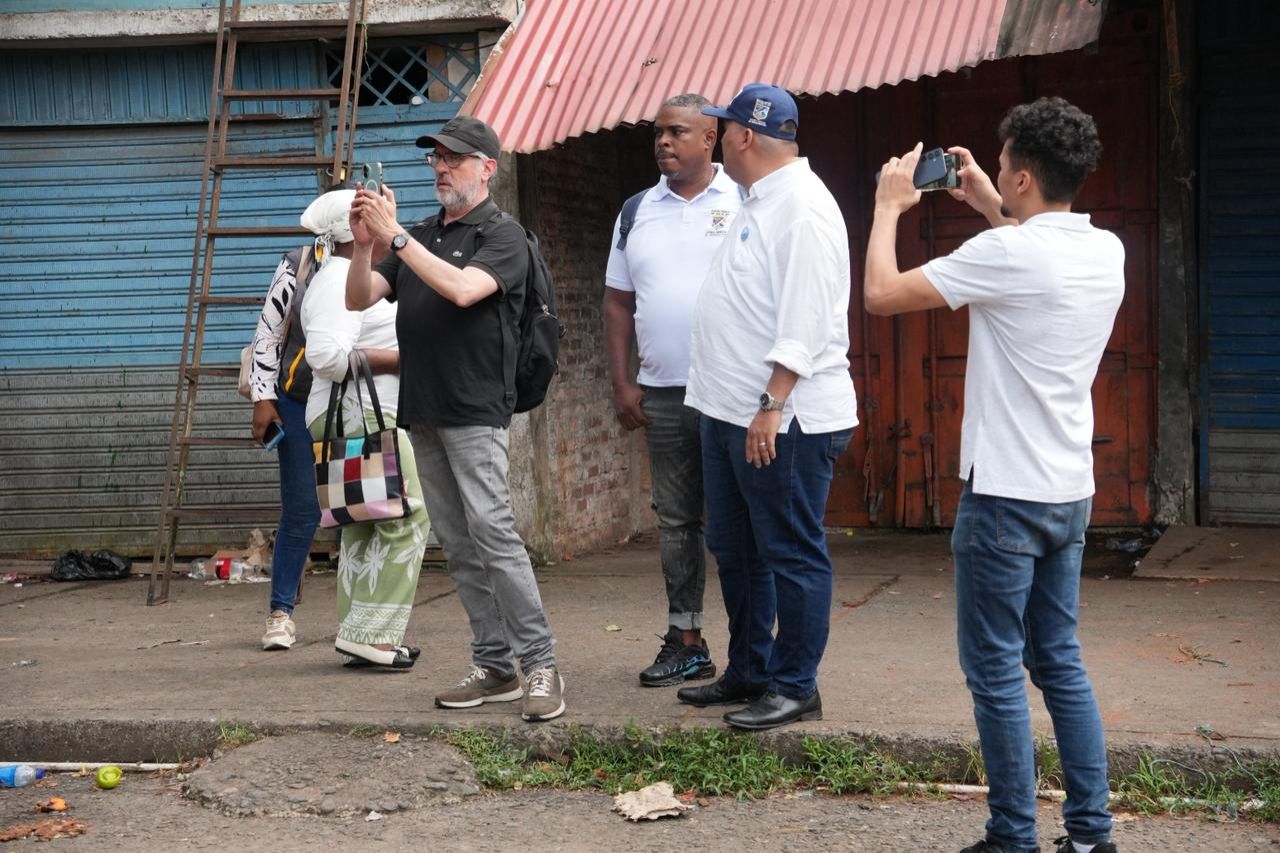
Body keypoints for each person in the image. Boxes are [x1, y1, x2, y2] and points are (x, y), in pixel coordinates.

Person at [864, 97, 1122, 853]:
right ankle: (1090, 836)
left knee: (997, 672)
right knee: (1061, 664)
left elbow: (881, 294)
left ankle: (1013, 837)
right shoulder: (1105, 250)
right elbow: (1029, 261)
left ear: (1025, 177)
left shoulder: (1009, 256)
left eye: (1003, 163)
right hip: (1069, 490)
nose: (995, 168)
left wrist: (888, 208)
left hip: (1005, 498)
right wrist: (985, 201)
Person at [345, 116, 565, 722]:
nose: (442, 168)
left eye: (456, 159)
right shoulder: (416, 235)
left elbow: (465, 291)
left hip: (475, 407)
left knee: (495, 535)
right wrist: (366, 244)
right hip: (424, 407)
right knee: (460, 545)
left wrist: (395, 241)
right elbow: (358, 298)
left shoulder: (504, 235)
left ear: (487, 168)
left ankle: (540, 664)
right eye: (436, 158)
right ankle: (495, 666)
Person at [678, 83, 857, 730]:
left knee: (790, 550)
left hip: (783, 417)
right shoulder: (758, 199)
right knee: (734, 546)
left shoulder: (802, 208)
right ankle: (751, 668)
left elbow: (804, 316)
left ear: (745, 136)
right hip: (729, 410)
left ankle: (794, 684)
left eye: (724, 129)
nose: (720, 138)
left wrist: (772, 402)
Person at [604, 92, 740, 687]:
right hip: (662, 394)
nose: (663, 141)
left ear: (710, 139)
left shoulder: (745, 200)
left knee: (740, 523)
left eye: (677, 132)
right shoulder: (636, 210)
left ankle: (754, 648)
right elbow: (617, 300)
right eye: (658, 132)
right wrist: (622, 380)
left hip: (733, 392)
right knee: (678, 522)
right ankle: (685, 640)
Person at [299, 189, 430, 669]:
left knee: (364, 522)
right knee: (407, 514)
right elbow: (327, 357)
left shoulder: (349, 276)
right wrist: (404, 359)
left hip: (356, 412)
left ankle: (360, 633)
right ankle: (374, 637)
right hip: (361, 413)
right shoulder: (337, 280)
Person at [247, 240, 320, 651]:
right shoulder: (301, 262)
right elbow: (269, 333)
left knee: (363, 509)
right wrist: (263, 397)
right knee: (301, 509)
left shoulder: (387, 256)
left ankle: (364, 620)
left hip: (358, 402)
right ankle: (280, 614)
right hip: (297, 400)